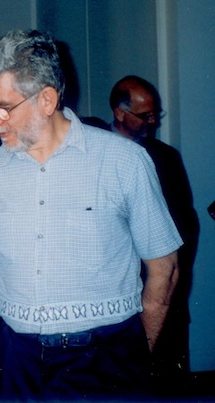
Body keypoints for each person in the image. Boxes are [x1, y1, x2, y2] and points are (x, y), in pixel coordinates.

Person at [0, 29, 182, 400]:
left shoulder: (123, 162)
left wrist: (137, 353)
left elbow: (165, 269)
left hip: (106, 361)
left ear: (47, 99)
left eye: (4, 107)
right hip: (18, 362)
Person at [110, 75, 200, 392]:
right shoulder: (95, 154)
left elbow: (186, 227)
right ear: (120, 113)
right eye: (144, 115)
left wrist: (168, 282)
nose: (152, 122)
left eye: (154, 114)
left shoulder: (166, 157)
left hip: (159, 290)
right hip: (113, 295)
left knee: (164, 383)